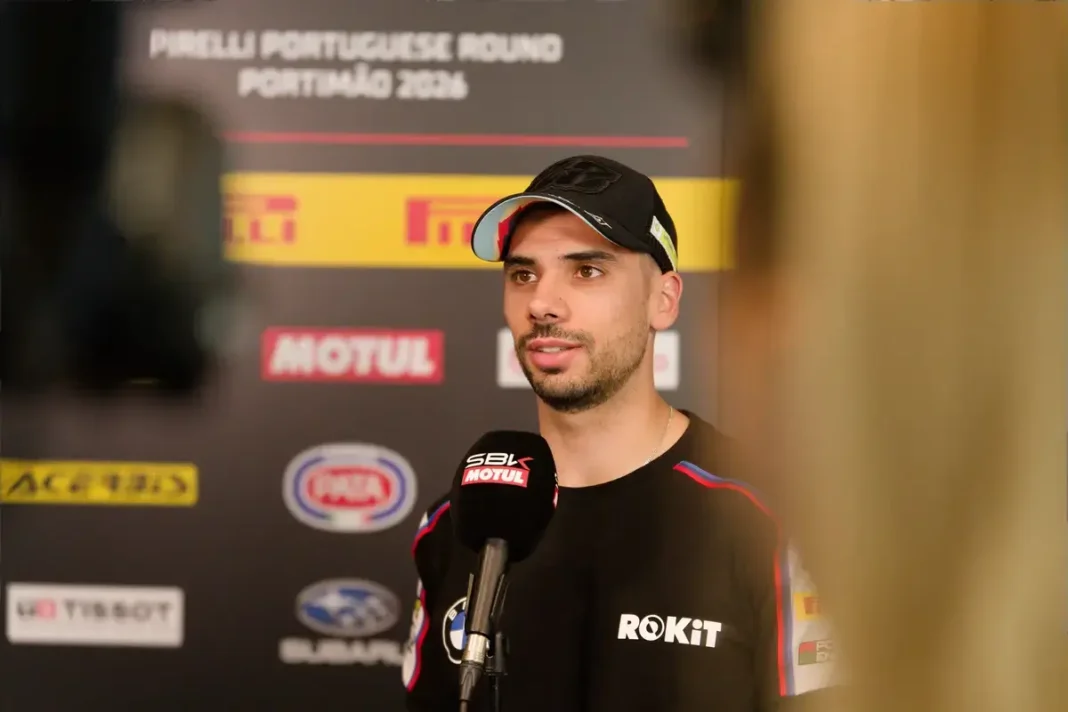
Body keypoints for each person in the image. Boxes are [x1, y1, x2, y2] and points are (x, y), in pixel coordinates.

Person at [400, 155, 835, 712]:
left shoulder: (765, 519)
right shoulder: (458, 523)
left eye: (587, 271)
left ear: (664, 300)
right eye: (524, 274)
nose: (542, 304)